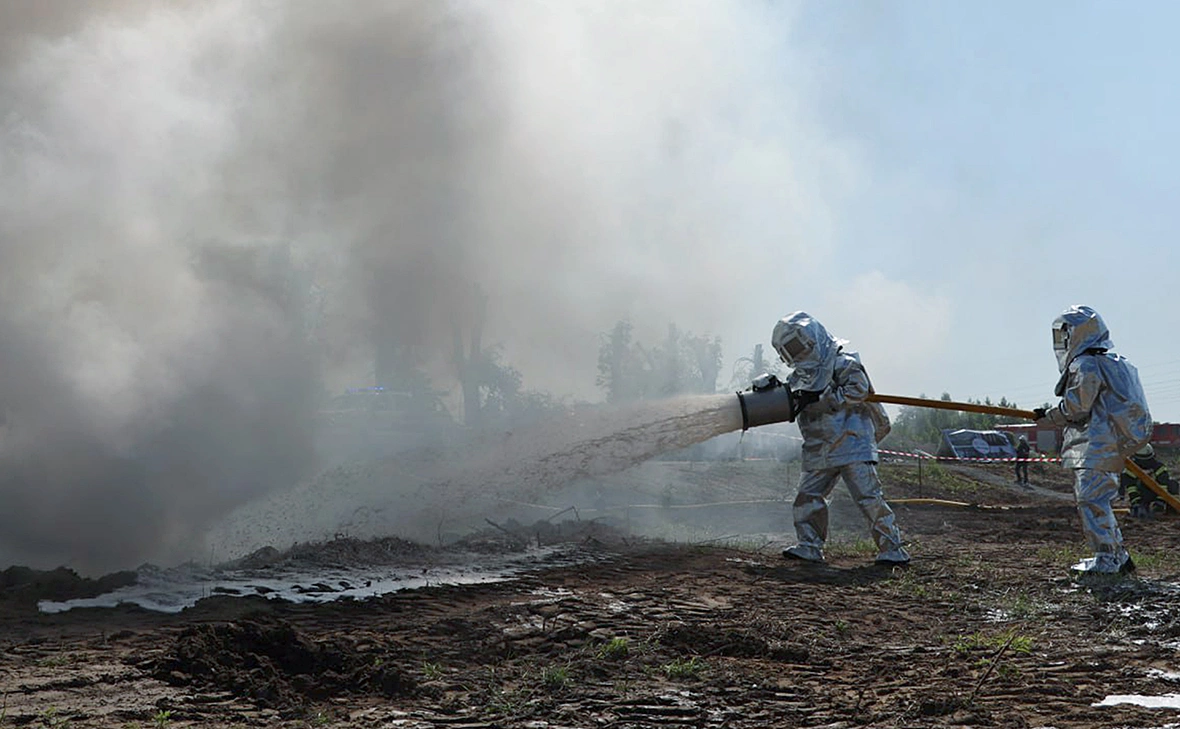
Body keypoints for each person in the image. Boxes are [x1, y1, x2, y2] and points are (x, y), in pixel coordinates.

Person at [770, 311, 910, 566]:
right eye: (789, 350)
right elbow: (792, 403)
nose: (795, 353)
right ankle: (809, 545)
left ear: (812, 338)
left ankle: (893, 548)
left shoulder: (842, 362)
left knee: (868, 497)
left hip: (851, 443)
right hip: (819, 448)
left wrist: (825, 399)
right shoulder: (798, 378)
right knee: (807, 496)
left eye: (796, 345)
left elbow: (858, 388)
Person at [1032, 305, 1151, 577]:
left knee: (1091, 500)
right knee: (1097, 499)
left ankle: (1109, 558)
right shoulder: (1117, 363)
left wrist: (1048, 416)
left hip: (1097, 444)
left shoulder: (1086, 364)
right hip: (1111, 443)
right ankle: (1115, 554)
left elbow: (1077, 407)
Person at [1120, 443, 1179, 519]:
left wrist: (1159, 502)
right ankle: (1143, 507)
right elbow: (1131, 488)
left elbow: (1163, 484)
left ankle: (1172, 509)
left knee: (1173, 484)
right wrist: (1136, 502)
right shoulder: (1131, 470)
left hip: (1160, 494)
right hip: (1143, 494)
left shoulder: (1159, 467)